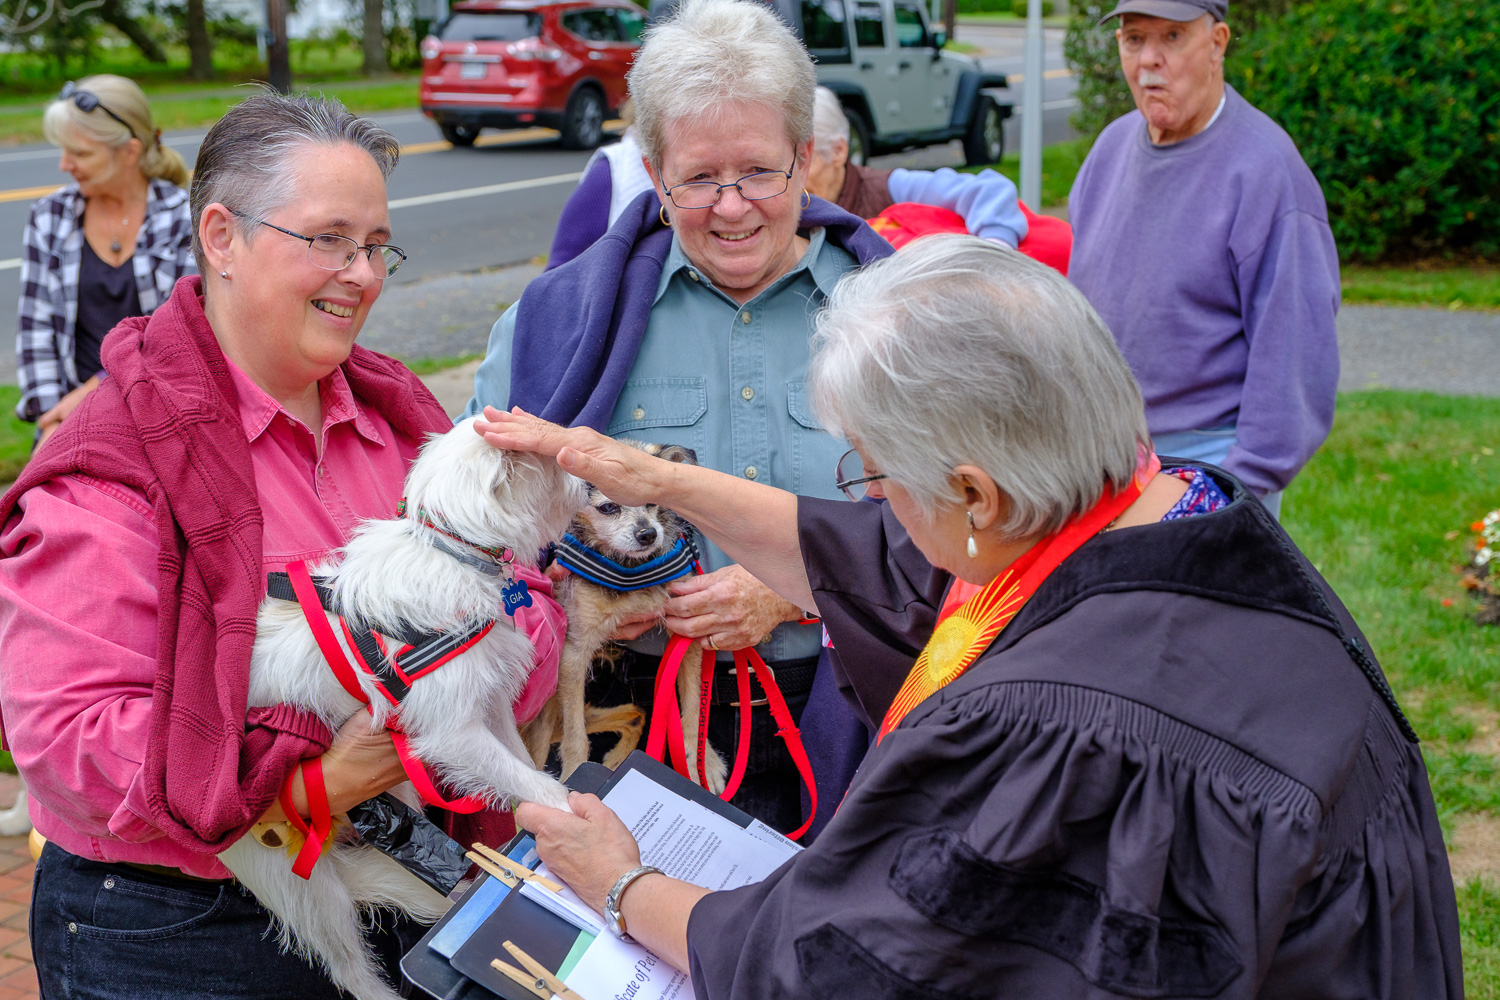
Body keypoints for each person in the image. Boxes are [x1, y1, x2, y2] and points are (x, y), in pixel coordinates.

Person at [478, 234, 1462, 999]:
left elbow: (835, 967)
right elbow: (877, 566)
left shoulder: (1066, 732)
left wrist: (621, 884)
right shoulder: (1170, 513)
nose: (878, 509)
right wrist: (651, 479)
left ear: (978, 495)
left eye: (876, 476)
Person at [0, 93, 565, 996]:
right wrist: (305, 780)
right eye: (331, 239)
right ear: (221, 238)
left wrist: (455, 689)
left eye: (378, 244)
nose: (366, 274)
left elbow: (519, 605)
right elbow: (66, 739)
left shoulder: (397, 423)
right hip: (183, 930)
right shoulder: (111, 464)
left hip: (401, 884)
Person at [464, 0, 892, 836]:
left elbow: (976, 536)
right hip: (629, 729)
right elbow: (474, 527)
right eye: (699, 179)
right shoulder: (558, 320)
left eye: (759, 173)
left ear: (807, 161)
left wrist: (798, 594)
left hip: (860, 716)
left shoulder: (900, 312)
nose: (731, 208)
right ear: (657, 174)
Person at [1067, 0, 1340, 519]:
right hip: (1102, 457)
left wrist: (1236, 494)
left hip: (1209, 466)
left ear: (1217, 43)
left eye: (1172, 38)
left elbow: (1296, 360)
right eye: (1133, 39)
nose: (1149, 60)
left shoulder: (1267, 173)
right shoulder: (1110, 148)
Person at [17, 74, 196, 446]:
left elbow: (183, 335)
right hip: (69, 424)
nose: (65, 164)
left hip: (163, 417)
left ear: (129, 152)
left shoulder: (182, 217)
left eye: (80, 153)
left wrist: (94, 392)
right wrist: (51, 423)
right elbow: (36, 331)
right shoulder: (50, 216)